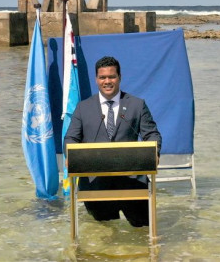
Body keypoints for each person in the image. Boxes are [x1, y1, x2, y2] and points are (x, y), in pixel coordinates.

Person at [64, 56, 162, 227]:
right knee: (105, 235)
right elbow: (71, 138)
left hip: (132, 183)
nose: (107, 81)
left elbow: (152, 135)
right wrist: (70, 155)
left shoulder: (137, 105)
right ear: (96, 79)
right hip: (95, 184)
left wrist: (155, 153)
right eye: (102, 77)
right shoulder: (83, 108)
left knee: (143, 232)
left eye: (112, 77)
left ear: (119, 78)